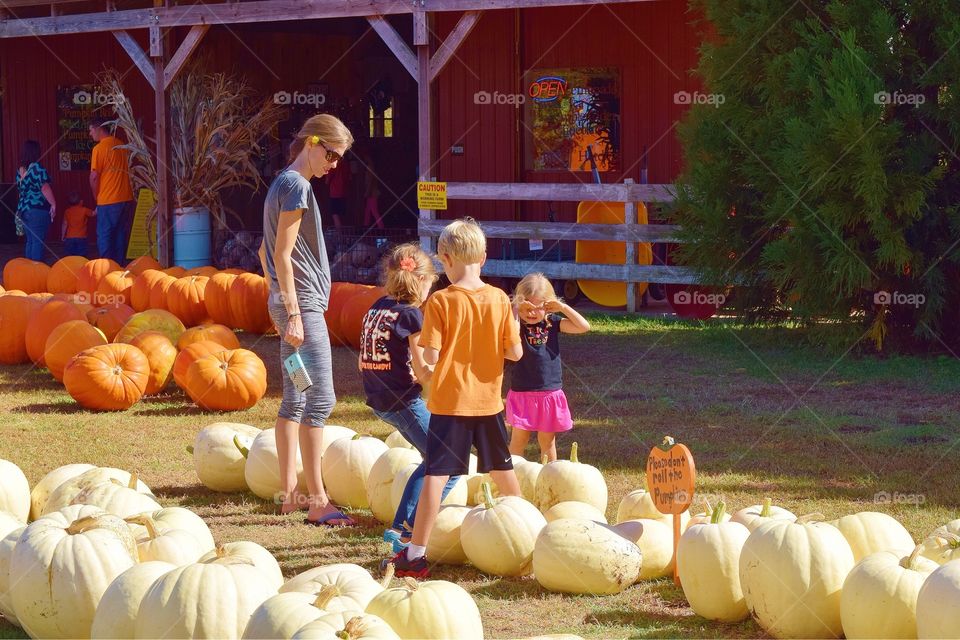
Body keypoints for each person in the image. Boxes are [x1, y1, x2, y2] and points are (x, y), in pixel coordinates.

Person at [386, 218, 523, 578]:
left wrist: (427, 369)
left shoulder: (441, 302)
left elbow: (430, 357)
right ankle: (531, 537)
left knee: (436, 475)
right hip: (489, 403)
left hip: (450, 404)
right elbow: (516, 354)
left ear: (445, 260)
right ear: (485, 257)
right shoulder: (499, 300)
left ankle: (415, 555)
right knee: (502, 469)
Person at [259, 113, 355, 527]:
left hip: (288, 302)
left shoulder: (283, 182)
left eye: (339, 158)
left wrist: (276, 300)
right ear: (312, 143)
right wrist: (294, 313)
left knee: (296, 397)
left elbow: (264, 254)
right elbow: (280, 254)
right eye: (331, 154)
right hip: (303, 307)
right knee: (321, 398)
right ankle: (317, 502)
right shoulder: (296, 186)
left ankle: (290, 496)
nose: (333, 164)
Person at [359, 243, 460, 553]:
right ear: (420, 281)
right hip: (403, 402)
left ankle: (400, 525)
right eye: (431, 283)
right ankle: (408, 531)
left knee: (432, 458)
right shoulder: (411, 315)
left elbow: (365, 358)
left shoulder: (377, 306)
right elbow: (424, 370)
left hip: (379, 398)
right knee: (450, 463)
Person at [506, 273, 591, 462]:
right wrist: (516, 308)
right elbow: (509, 334)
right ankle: (512, 478)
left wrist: (562, 307)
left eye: (539, 306)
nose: (532, 312)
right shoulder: (515, 323)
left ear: (549, 306)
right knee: (519, 440)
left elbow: (584, 326)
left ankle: (551, 476)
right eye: (528, 304)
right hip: (522, 392)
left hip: (548, 392)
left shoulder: (552, 323)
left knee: (547, 442)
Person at [89, 116, 134, 264]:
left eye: (91, 130)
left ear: (99, 129)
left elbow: (94, 177)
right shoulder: (122, 146)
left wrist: (97, 197)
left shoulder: (99, 148)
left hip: (108, 199)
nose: (90, 134)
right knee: (120, 235)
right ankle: (119, 268)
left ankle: (105, 268)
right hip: (125, 198)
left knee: (105, 235)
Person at [15, 140, 56, 262]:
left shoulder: (20, 171)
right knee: (38, 242)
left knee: (31, 241)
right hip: (37, 209)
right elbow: (44, 187)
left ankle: (29, 271)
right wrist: (53, 204)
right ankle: (36, 271)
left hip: (24, 210)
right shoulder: (37, 168)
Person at [61, 192, 95, 257]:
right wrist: (100, 206)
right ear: (81, 201)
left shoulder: (67, 211)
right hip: (82, 237)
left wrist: (63, 235)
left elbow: (64, 224)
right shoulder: (84, 210)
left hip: (69, 238)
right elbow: (93, 213)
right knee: (82, 257)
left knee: (70, 257)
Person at [361, 150, 384, 230]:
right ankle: (366, 226)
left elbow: (370, 181)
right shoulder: (371, 167)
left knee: (374, 210)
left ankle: (381, 227)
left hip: (372, 192)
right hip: (371, 192)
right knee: (368, 210)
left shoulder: (370, 167)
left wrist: (367, 191)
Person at [325, 159, 349, 230]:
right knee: (342, 214)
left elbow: (327, 181)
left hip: (335, 193)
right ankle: (344, 235)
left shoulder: (334, 166)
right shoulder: (345, 164)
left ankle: (339, 235)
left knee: (335, 214)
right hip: (344, 192)